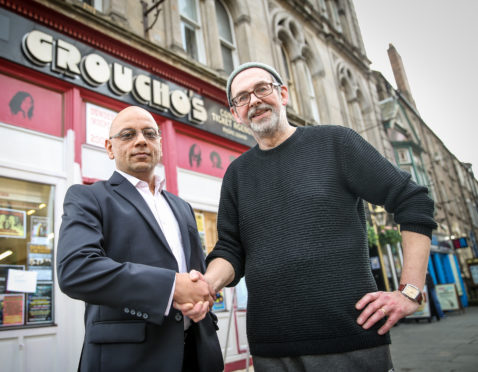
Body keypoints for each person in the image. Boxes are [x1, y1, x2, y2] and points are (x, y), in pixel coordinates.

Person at [176, 62, 437, 371]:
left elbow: (413, 199)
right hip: (271, 350)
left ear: (283, 94)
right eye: (242, 98)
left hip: (349, 340)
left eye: (262, 89)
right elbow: (232, 250)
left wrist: (410, 291)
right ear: (235, 113)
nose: (254, 101)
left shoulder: (336, 143)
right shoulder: (237, 174)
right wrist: (205, 286)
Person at [57, 106, 223, 372]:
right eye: (127, 134)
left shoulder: (182, 207)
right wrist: (170, 287)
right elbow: (76, 270)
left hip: (197, 353)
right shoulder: (88, 197)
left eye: (149, 133)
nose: (141, 140)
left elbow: (196, 271)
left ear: (159, 143)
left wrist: (203, 299)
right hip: (129, 359)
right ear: (110, 148)